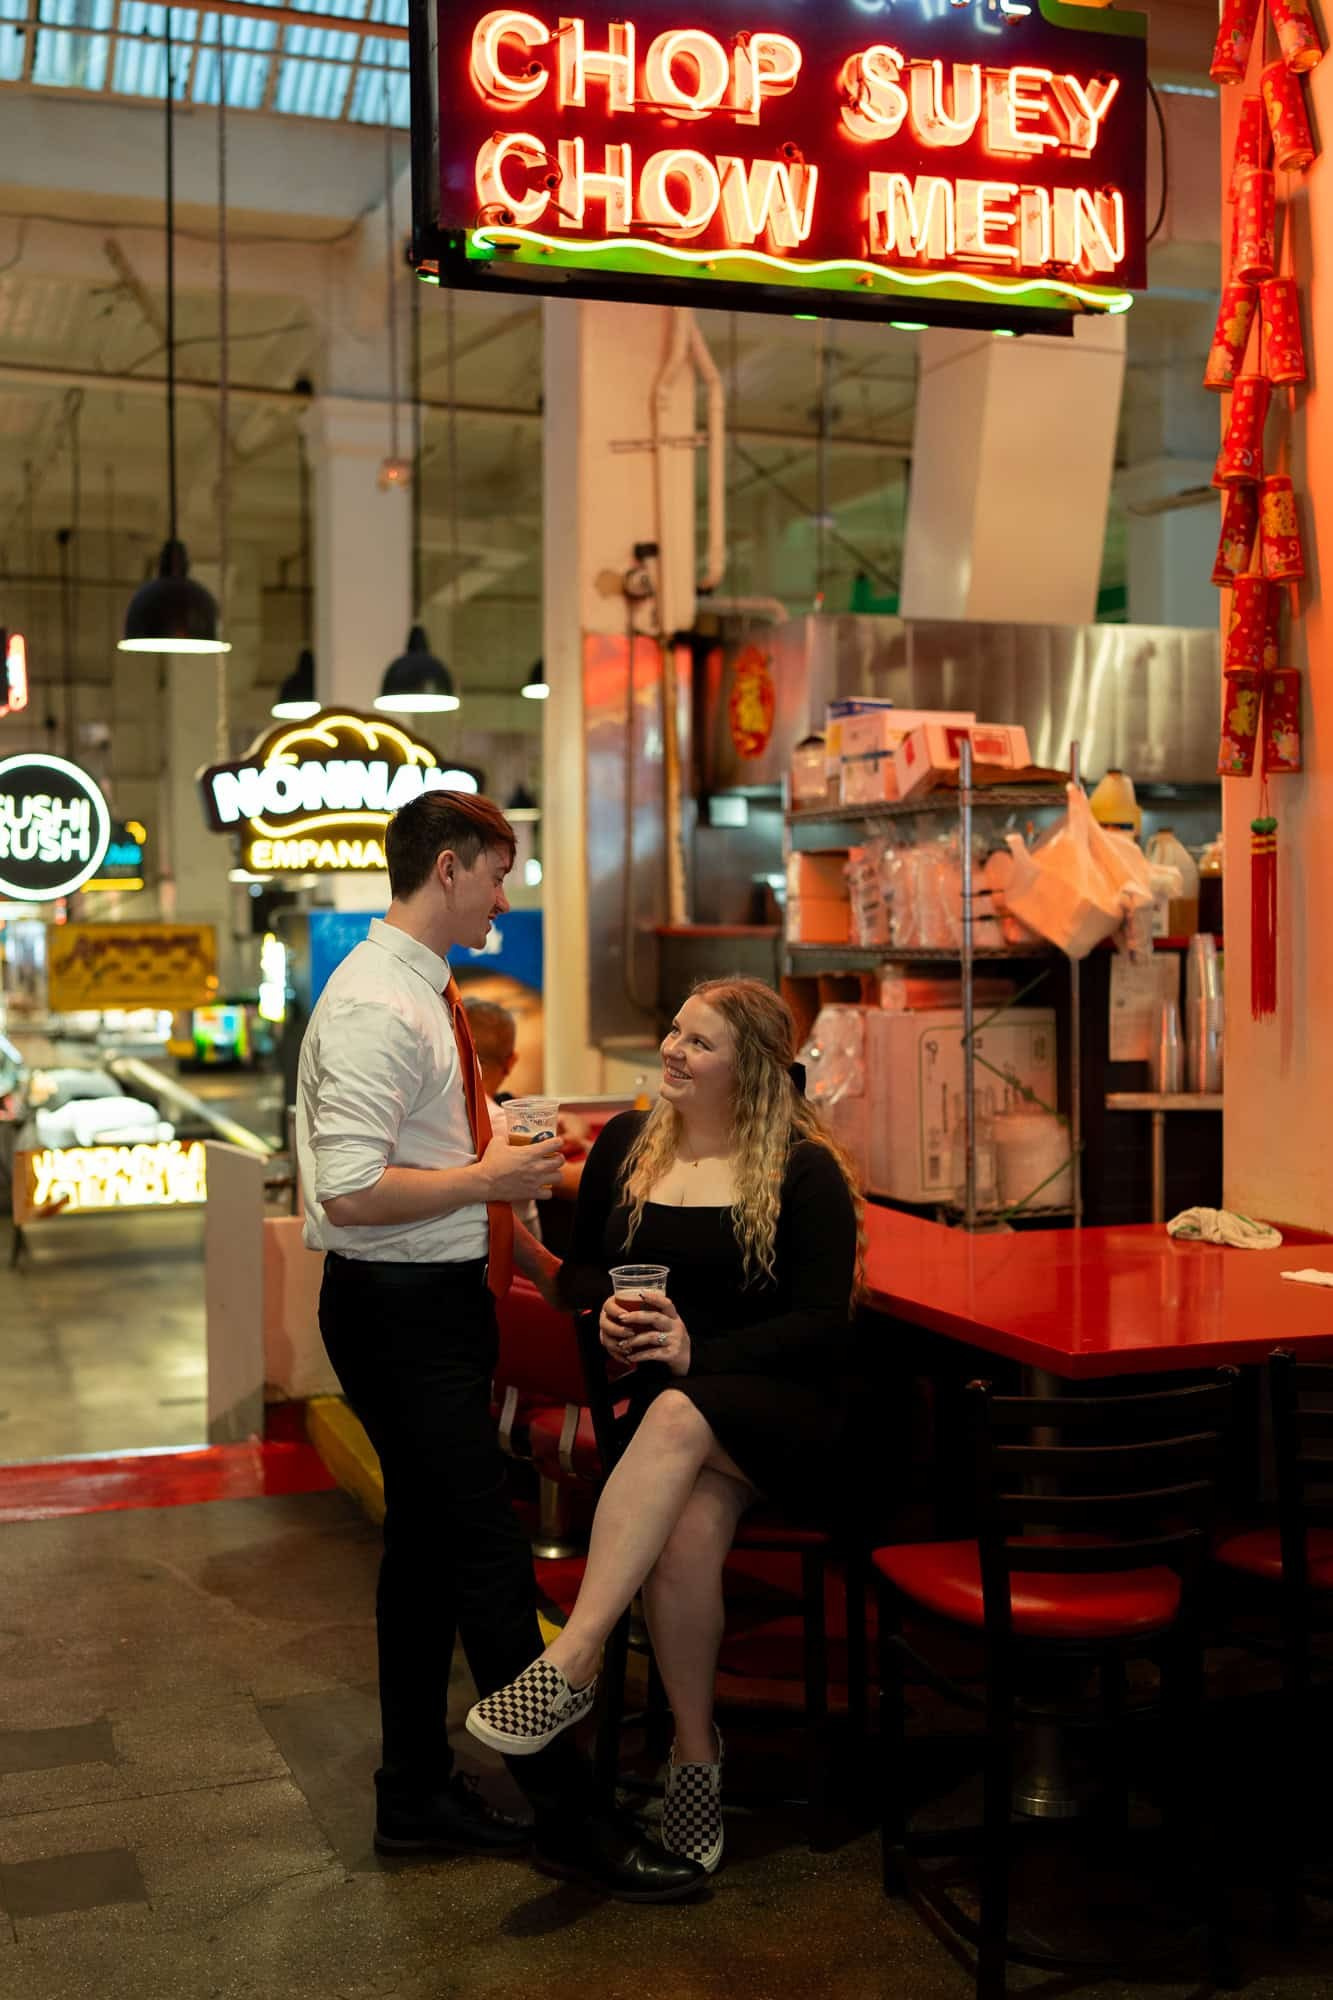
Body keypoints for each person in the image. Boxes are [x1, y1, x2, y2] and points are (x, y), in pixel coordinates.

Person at [296, 789, 702, 1904]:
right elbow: (347, 1187)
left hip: (431, 1302)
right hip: (398, 1311)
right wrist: (494, 1178)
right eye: (497, 872)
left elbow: (426, 1166)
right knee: (483, 1552)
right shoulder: (379, 1002)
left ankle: (412, 1790)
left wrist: (523, 1243)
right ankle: (571, 1818)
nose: (503, 894)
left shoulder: (423, 988)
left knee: (427, 1549)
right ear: (445, 867)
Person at [467, 978, 861, 1875]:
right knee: (682, 1538)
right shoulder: (628, 1145)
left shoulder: (803, 1170)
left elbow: (823, 1326)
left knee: (679, 1408)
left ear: (753, 1070)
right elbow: (590, 1282)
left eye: (701, 1042)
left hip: (782, 1412)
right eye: (675, 1031)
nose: (674, 1051)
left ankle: (573, 1657)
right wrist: (550, 1262)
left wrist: (693, 1350)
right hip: (675, 1427)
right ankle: (694, 1755)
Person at [464, 997, 542, 1241]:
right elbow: (567, 1178)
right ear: (511, 1062)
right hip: (516, 1268)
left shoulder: (439, 1114)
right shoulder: (511, 1125)